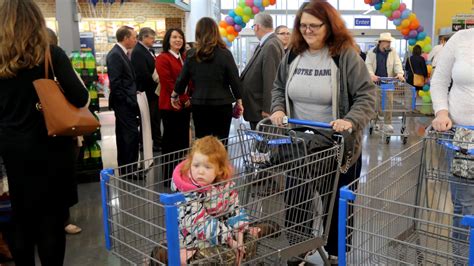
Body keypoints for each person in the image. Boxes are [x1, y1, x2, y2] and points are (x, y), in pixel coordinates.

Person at [269, 1, 376, 263]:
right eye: (303, 25)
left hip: (336, 146)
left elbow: (367, 96)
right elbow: (278, 87)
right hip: (300, 144)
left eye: (314, 26)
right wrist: (278, 108)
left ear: (329, 26)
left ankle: (337, 253)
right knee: (296, 200)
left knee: (337, 204)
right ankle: (298, 248)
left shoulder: (345, 56)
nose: (307, 30)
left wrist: (349, 120)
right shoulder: (293, 54)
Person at [0, 0, 89, 264]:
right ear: (37, 22)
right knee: (50, 223)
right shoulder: (51, 54)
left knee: (16, 221)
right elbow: (80, 95)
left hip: (9, 155)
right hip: (51, 150)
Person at [151, 136, 275, 265]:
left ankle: (251, 233)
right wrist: (230, 239)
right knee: (227, 257)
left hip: (220, 236)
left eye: (207, 167)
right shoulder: (185, 193)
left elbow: (234, 209)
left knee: (241, 250)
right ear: (189, 164)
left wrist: (239, 233)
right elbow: (200, 224)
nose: (200, 171)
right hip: (191, 243)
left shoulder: (225, 186)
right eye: (196, 165)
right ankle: (167, 253)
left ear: (219, 170)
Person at [430, 28, 474, 264]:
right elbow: (439, 81)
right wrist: (442, 112)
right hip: (462, 137)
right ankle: (462, 260)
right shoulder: (460, 39)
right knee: (464, 205)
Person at [172, 17, 243, 140]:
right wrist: (239, 100)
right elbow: (234, 79)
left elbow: (182, 78)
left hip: (200, 104)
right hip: (223, 104)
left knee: (202, 144)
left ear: (198, 33)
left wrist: (175, 95)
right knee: (221, 143)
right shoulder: (225, 53)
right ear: (215, 31)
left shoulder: (191, 54)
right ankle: (219, 160)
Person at [46, 27, 83, 235]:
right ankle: (63, 219)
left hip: (19, 138)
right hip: (60, 130)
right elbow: (79, 95)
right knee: (63, 176)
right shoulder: (56, 57)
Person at [155, 28, 191, 187]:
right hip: (169, 106)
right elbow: (168, 82)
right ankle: (168, 177)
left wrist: (189, 98)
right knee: (171, 143)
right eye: (174, 37)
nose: (178, 40)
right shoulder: (163, 58)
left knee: (183, 142)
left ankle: (179, 175)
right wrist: (183, 98)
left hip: (184, 106)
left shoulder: (184, 57)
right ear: (168, 40)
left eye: (180, 37)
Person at [240, 13, 285, 130]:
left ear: (257, 27)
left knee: (265, 144)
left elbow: (271, 78)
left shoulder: (270, 45)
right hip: (256, 107)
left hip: (261, 110)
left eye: (253, 27)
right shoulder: (267, 43)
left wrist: (268, 108)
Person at [106, 26, 140, 177]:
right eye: (134, 37)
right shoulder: (115, 55)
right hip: (124, 104)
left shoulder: (122, 53)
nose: (135, 39)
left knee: (128, 135)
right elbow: (116, 83)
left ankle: (129, 168)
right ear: (125, 38)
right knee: (129, 136)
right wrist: (128, 100)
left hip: (128, 102)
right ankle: (128, 170)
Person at [365, 32, 404, 133]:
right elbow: (368, 65)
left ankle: (387, 123)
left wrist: (400, 73)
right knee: (375, 103)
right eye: (387, 42)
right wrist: (371, 75)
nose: (389, 44)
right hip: (375, 81)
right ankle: (375, 121)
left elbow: (397, 63)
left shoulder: (393, 52)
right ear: (380, 42)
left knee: (388, 103)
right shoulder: (371, 52)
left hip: (388, 81)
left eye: (390, 42)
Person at [131, 27, 162, 152]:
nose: (153, 40)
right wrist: (156, 84)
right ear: (144, 38)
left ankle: (154, 141)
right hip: (148, 92)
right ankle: (152, 143)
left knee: (154, 118)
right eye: (151, 37)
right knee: (150, 118)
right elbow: (142, 74)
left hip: (152, 91)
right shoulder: (138, 51)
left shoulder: (148, 50)